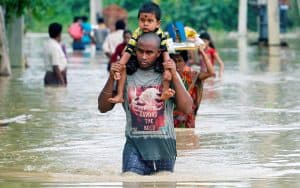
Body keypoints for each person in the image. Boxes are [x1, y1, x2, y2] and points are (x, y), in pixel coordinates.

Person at [98, 32, 193, 175]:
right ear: (134, 50)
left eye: (149, 52)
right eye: (140, 51)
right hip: (135, 147)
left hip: (164, 148)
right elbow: (103, 108)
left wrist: (174, 74)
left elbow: (187, 108)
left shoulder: (167, 75)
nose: (143, 56)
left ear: (158, 53)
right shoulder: (126, 75)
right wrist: (112, 78)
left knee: (164, 181)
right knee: (129, 179)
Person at [108, 2, 173, 104]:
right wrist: (119, 66)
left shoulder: (161, 35)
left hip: (157, 60)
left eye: (150, 21)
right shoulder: (137, 33)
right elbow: (128, 51)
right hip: (135, 58)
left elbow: (165, 52)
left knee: (167, 71)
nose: (145, 23)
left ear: (158, 23)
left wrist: (168, 68)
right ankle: (120, 95)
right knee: (123, 68)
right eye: (142, 20)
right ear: (138, 20)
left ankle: (165, 91)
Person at [170, 49, 215, 128]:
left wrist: (203, 53)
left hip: (187, 118)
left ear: (184, 62)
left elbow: (211, 73)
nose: (176, 64)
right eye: (174, 61)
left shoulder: (191, 75)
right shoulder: (167, 76)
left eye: (179, 61)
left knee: (188, 138)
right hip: (171, 117)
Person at [44, 22, 67, 87]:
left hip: (51, 76)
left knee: (52, 95)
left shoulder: (49, 44)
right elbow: (55, 66)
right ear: (59, 33)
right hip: (55, 77)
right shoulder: (54, 46)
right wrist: (62, 82)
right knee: (56, 96)